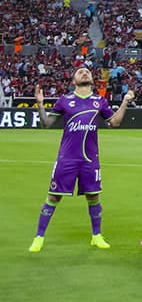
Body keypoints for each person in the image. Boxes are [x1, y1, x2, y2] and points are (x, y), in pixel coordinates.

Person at [29, 69, 134, 252]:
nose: (84, 73)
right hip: (67, 158)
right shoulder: (64, 100)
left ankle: (96, 236)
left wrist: (125, 102)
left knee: (93, 196)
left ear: (92, 80)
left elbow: (114, 122)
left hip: (90, 159)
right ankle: (39, 237)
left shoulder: (100, 101)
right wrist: (40, 104)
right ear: (73, 80)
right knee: (53, 196)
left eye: (87, 72)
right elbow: (46, 123)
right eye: (80, 72)